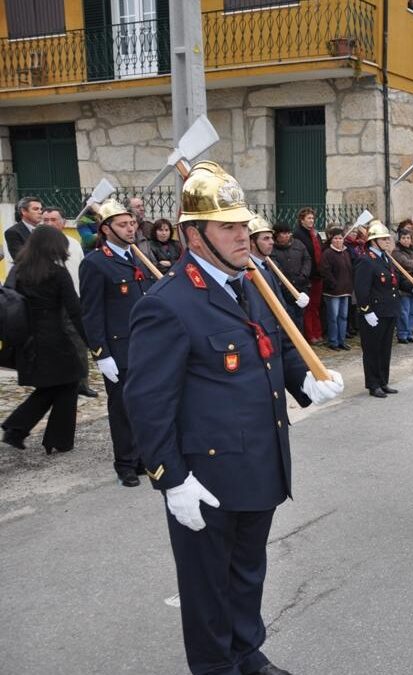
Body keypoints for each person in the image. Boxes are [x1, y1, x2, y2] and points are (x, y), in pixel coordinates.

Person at [124, 161, 342, 675]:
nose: (244, 234)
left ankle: (247, 652)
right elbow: (147, 403)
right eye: (229, 226)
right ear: (194, 236)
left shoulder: (250, 282)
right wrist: (171, 479)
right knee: (207, 586)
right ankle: (216, 666)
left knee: (248, 573)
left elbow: (270, 349)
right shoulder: (169, 304)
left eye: (245, 224)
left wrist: (304, 382)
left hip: (260, 461)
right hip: (207, 475)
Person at [79, 198, 156, 486]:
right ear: (106, 229)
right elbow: (91, 312)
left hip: (146, 347)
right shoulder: (96, 263)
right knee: (122, 408)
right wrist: (101, 354)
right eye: (123, 225)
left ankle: (142, 457)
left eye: (132, 223)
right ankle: (125, 462)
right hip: (119, 349)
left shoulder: (138, 258)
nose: (130, 229)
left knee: (146, 405)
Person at [1, 227, 87, 454]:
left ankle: (26, 431)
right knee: (68, 380)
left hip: (26, 338)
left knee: (57, 385)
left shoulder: (18, 271)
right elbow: (75, 310)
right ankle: (40, 434)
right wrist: (90, 340)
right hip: (54, 338)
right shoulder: (57, 273)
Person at [355, 221, 413, 397]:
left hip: (389, 310)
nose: (388, 241)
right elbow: (361, 289)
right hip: (374, 313)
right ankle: (373, 385)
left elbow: (395, 281)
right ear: (374, 241)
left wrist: (412, 288)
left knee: (385, 349)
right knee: (373, 350)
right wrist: (366, 311)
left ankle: (383, 381)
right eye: (383, 238)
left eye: (387, 238)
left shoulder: (386, 258)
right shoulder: (366, 260)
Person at [41, 206, 95, 398]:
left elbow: (81, 272)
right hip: (49, 304)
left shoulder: (73, 243)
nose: (48, 223)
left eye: (53, 220)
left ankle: (82, 383)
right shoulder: (38, 246)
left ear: (63, 223)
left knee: (79, 343)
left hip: (74, 300)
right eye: (45, 220)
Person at [269, 222, 311, 330]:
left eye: (288, 233)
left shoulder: (298, 244)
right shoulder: (272, 249)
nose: (287, 235)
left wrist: (304, 274)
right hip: (284, 289)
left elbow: (307, 259)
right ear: (277, 235)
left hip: (300, 286)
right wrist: (284, 281)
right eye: (284, 233)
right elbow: (274, 267)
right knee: (289, 317)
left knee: (300, 317)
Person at [291, 207, 324, 343]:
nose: (311, 221)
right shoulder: (298, 235)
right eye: (308, 218)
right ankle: (310, 335)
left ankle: (317, 332)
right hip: (306, 276)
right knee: (308, 307)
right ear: (301, 220)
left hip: (317, 274)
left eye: (312, 218)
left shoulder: (314, 234)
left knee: (316, 306)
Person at [392, 228, 413, 344]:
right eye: (404, 238)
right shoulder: (396, 252)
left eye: (408, 238)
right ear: (399, 239)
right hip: (404, 285)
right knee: (404, 311)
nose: (406, 240)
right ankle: (402, 334)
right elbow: (407, 264)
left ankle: (410, 333)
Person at [6, 195, 42, 260]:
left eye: (40, 209)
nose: (40, 212)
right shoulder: (13, 232)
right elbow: (19, 257)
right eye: (35, 209)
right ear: (24, 211)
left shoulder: (44, 230)